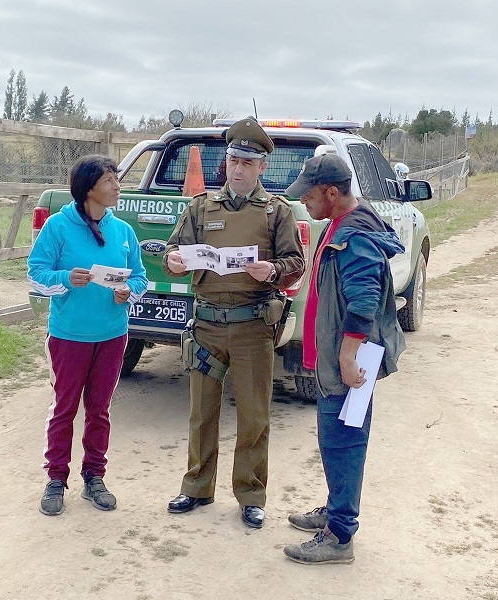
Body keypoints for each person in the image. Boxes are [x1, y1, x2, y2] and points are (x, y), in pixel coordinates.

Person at [163, 117, 306, 528]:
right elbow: (175, 251)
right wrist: (173, 260)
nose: (238, 169)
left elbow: (296, 263)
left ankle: (250, 493)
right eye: (232, 160)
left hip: (252, 326)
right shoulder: (201, 207)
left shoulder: (276, 211)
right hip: (206, 325)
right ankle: (196, 487)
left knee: (254, 414)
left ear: (262, 167)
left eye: (247, 162)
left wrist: (273, 272)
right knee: (201, 412)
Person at [281, 153, 406, 563]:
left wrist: (349, 356)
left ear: (332, 192)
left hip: (348, 363)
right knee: (336, 440)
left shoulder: (353, 236)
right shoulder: (342, 223)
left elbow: (364, 299)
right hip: (337, 358)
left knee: (343, 442)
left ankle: (340, 536)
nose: (306, 203)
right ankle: (337, 512)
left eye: (310, 196)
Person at [28, 154, 148, 516]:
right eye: (110, 179)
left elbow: (139, 277)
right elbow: (35, 273)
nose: (117, 185)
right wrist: (64, 279)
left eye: (116, 178)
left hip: (112, 336)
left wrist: (130, 292)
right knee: (64, 409)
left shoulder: (123, 231)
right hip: (68, 336)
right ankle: (55, 480)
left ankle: (94, 477)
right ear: (88, 188)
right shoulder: (57, 227)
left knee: (100, 410)